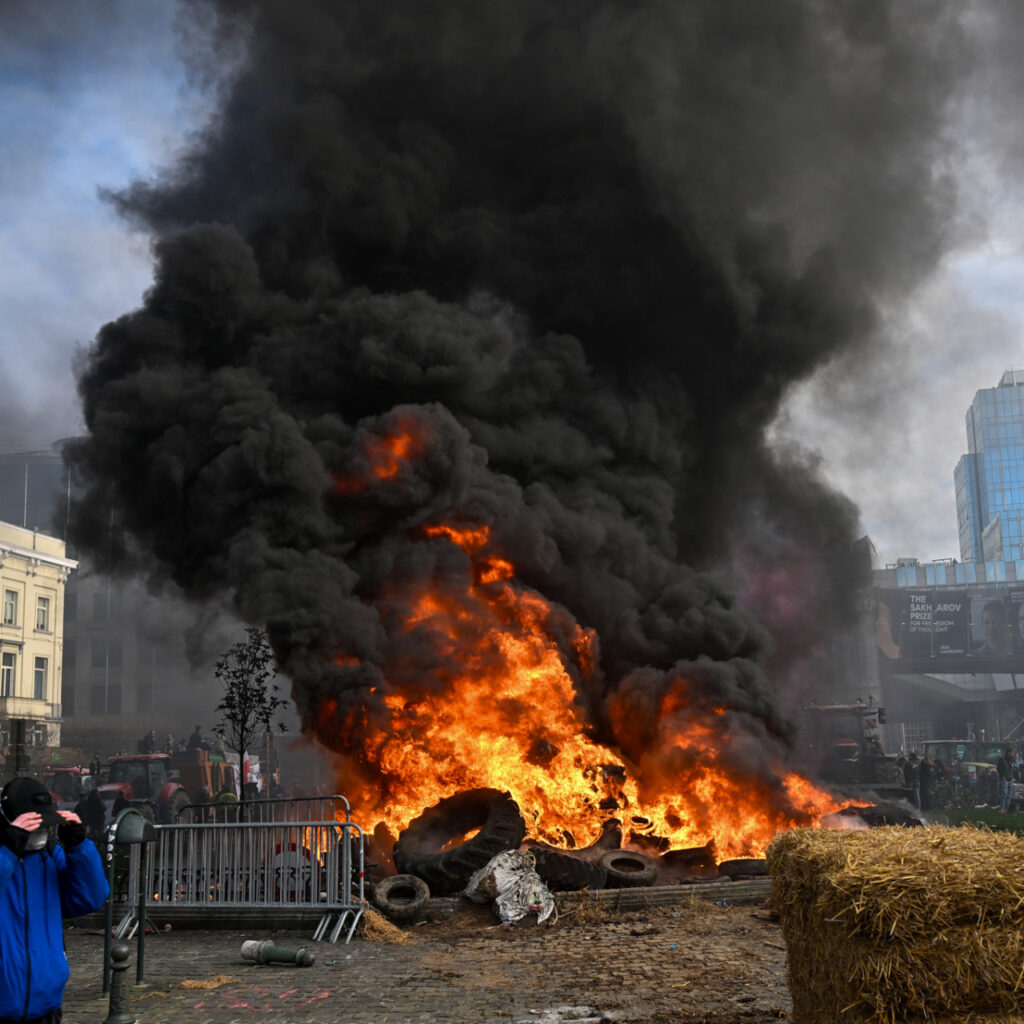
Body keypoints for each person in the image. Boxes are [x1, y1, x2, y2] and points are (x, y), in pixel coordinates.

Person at [0, 776, 109, 1023]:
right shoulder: (5, 856)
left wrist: (79, 848)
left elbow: (90, 898)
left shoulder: (49, 855)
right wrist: (7, 851)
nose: (40, 833)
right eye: (32, 827)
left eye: (44, 826)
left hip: (46, 1005)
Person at [997, 748, 1015, 812]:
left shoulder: (1012, 760)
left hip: (1010, 779)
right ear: (1008, 752)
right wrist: (1002, 776)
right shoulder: (1002, 759)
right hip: (1004, 779)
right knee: (1004, 794)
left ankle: (1007, 808)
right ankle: (1002, 807)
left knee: (1009, 795)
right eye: (1012, 752)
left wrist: (1013, 777)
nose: (1013, 754)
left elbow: (1012, 769)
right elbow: (998, 768)